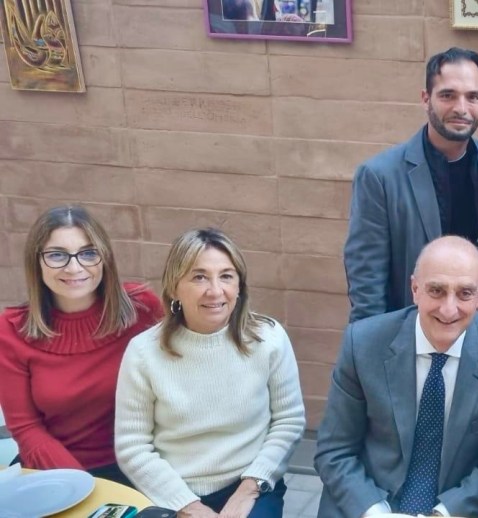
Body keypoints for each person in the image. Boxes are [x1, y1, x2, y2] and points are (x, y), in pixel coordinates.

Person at [314, 236, 478, 518]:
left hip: (457, 508)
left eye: (465, 293)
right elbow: (335, 450)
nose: (449, 309)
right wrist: (376, 513)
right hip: (371, 502)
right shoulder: (364, 343)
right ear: (415, 289)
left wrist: (441, 515)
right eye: (436, 290)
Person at [116, 228, 305, 517]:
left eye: (226, 276)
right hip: (171, 491)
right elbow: (132, 446)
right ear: (174, 287)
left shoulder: (269, 338)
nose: (215, 291)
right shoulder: (143, 352)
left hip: (249, 485)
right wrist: (188, 506)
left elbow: (288, 420)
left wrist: (249, 489)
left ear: (239, 286)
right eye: (199, 277)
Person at [0, 206, 162, 486]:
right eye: (56, 255)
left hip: (141, 463)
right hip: (56, 470)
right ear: (36, 262)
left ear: (104, 258)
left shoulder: (142, 308)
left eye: (88, 253)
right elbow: (27, 428)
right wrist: (85, 488)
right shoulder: (10, 330)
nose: (74, 268)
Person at [344, 47, 478, 322]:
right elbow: (367, 284)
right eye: (448, 95)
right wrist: (371, 342)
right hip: (414, 332)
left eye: (472, 97)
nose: (461, 108)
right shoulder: (379, 177)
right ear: (425, 99)